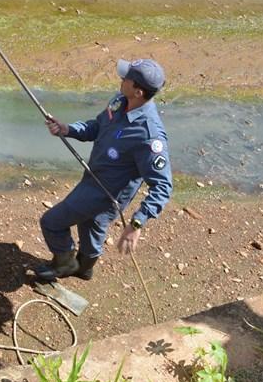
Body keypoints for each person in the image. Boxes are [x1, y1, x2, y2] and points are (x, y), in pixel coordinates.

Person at [35, 58, 173, 282]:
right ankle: (85, 269)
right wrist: (68, 129)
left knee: (51, 222)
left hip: (104, 193)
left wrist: (137, 223)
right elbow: (97, 126)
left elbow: (163, 186)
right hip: (94, 176)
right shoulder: (120, 100)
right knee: (92, 225)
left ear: (138, 91)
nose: (121, 78)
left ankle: (66, 264)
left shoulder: (149, 135)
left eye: (126, 77)